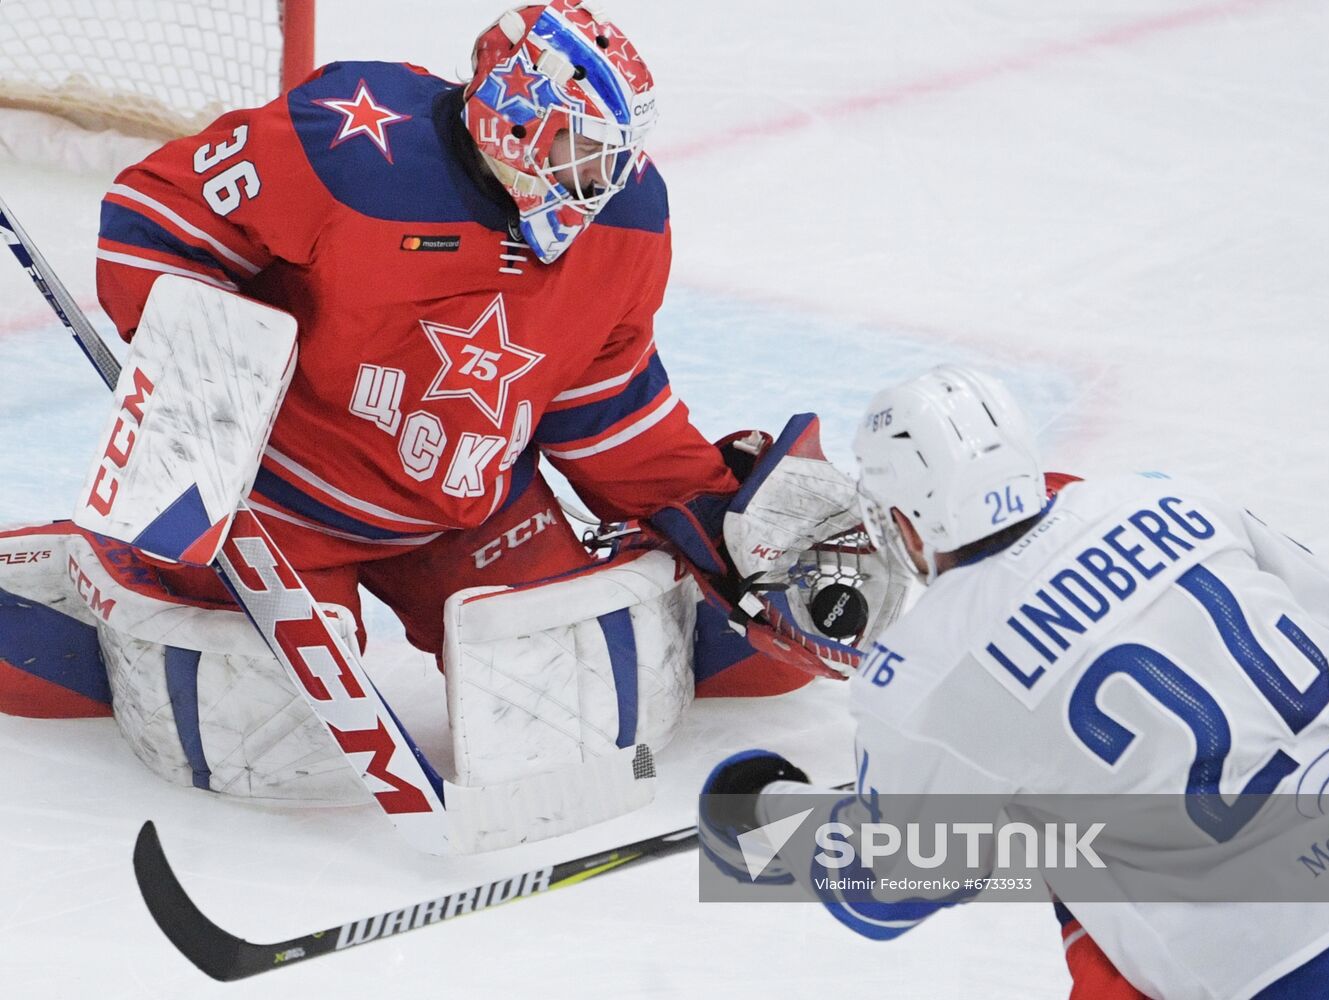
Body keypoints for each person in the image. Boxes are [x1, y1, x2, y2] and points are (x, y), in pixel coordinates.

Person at [0, 1, 872, 804]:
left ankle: (686, 615)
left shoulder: (628, 219)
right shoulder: (354, 145)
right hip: (275, 502)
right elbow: (154, 221)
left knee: (577, 694)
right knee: (259, 730)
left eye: (617, 148)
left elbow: (603, 398)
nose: (607, 173)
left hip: (471, 505)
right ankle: (96, 579)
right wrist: (202, 389)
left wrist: (712, 513)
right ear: (518, 116)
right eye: (584, 146)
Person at [701, 365, 1329, 1000]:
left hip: (1279, 965)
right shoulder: (1170, 497)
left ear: (902, 517)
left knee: (1076, 855)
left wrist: (762, 813)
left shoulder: (923, 667)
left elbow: (884, 892)